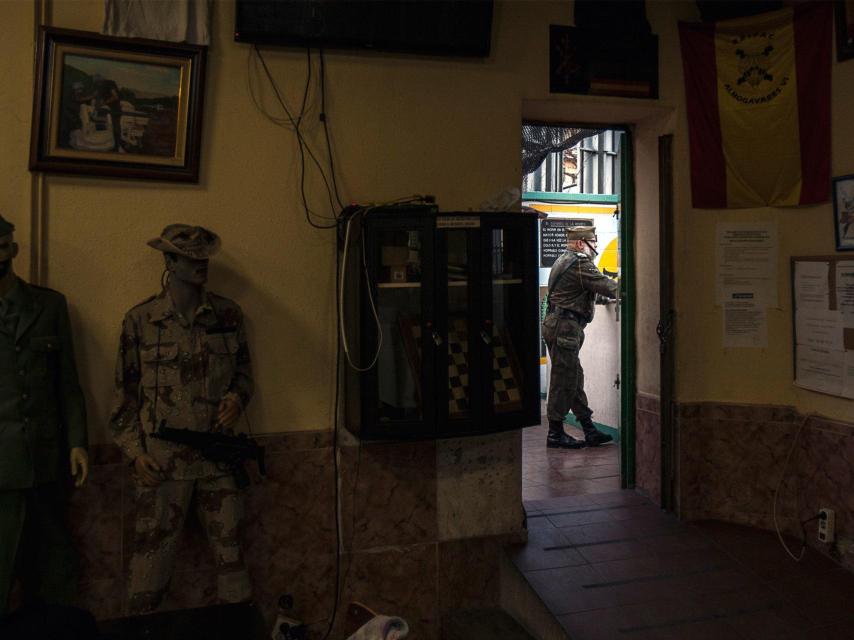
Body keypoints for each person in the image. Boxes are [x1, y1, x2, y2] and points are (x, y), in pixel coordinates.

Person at [110, 224, 254, 614]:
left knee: (233, 563)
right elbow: (124, 394)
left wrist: (236, 399)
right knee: (149, 569)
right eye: (190, 258)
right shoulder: (142, 320)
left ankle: (238, 627)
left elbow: (244, 374)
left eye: (204, 257)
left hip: (217, 459)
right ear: (170, 262)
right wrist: (135, 454)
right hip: (163, 463)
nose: (200, 264)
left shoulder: (227, 315)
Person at [0, 214, 89, 616]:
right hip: (2, 471)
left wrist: (77, 442)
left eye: (2, 247)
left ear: (14, 250)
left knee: (55, 573)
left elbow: (67, 382)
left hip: (45, 464)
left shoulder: (48, 306)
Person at [542, 226, 618, 449]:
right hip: (564, 327)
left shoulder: (564, 259)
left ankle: (589, 429)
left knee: (573, 377)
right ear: (580, 243)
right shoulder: (579, 263)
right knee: (563, 380)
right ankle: (555, 433)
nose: (596, 246)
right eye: (593, 242)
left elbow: (576, 291)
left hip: (558, 323)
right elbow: (608, 286)